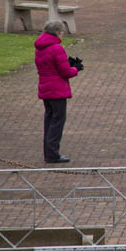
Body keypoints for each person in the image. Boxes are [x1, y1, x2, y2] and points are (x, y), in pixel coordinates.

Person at [36, 19, 81, 164]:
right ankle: (53, 154)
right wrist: (76, 69)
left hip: (45, 88)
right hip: (57, 90)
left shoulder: (40, 47)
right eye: (62, 32)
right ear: (57, 32)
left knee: (49, 121)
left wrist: (67, 64)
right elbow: (65, 72)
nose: (63, 34)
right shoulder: (57, 48)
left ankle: (48, 152)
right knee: (57, 122)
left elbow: (50, 66)